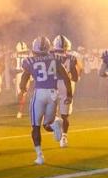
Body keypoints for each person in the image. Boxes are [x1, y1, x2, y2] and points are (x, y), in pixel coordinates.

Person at [19, 36, 73, 165]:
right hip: (53, 93)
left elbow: (24, 78)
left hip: (40, 93)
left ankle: (40, 156)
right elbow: (66, 78)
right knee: (47, 124)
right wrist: (69, 95)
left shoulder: (30, 61)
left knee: (36, 126)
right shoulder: (55, 59)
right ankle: (55, 123)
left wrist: (22, 89)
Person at [12, 41, 31, 118]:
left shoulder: (14, 55)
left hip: (19, 74)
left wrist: (13, 76)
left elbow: (13, 66)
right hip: (27, 74)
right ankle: (20, 110)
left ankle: (20, 111)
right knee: (23, 94)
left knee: (20, 94)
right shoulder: (29, 55)